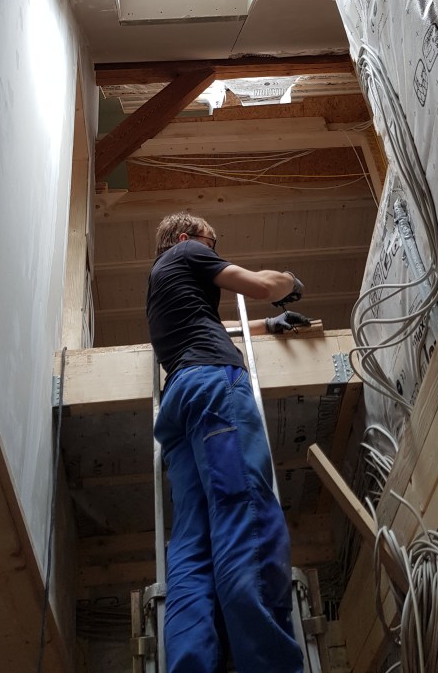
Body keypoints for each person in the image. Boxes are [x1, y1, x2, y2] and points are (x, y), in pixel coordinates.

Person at [146, 211, 309, 673]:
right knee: (243, 510)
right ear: (185, 236)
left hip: (179, 403)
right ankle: (270, 663)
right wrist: (289, 282)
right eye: (211, 242)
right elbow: (260, 286)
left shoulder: (160, 285)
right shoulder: (187, 251)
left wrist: (269, 327)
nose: (214, 251)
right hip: (213, 388)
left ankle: (191, 663)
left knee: (192, 541)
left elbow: (209, 326)